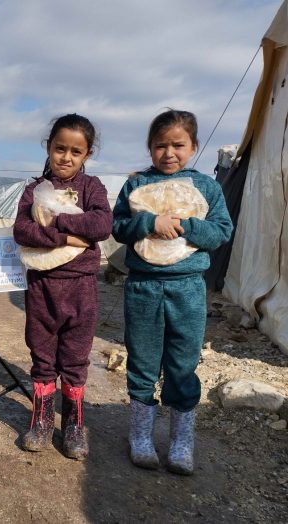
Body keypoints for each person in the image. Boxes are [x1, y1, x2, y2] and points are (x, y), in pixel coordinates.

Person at [112, 109, 232, 475]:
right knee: (144, 360)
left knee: (182, 364)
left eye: (178, 145)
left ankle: (181, 442)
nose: (169, 153)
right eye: (160, 145)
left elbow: (222, 231)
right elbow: (118, 226)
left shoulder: (206, 188)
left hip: (188, 289)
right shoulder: (136, 186)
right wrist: (150, 221)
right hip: (144, 287)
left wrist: (186, 225)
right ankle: (141, 437)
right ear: (150, 148)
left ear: (193, 147)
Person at [13, 114, 113, 459]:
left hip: (81, 287)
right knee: (42, 356)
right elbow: (23, 231)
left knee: (74, 358)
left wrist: (56, 219)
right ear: (49, 148)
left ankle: (72, 425)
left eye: (75, 151)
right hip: (42, 286)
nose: (66, 158)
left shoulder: (92, 188)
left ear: (86, 154)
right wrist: (68, 236)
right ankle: (41, 421)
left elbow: (101, 224)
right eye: (60, 149)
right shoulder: (33, 190)